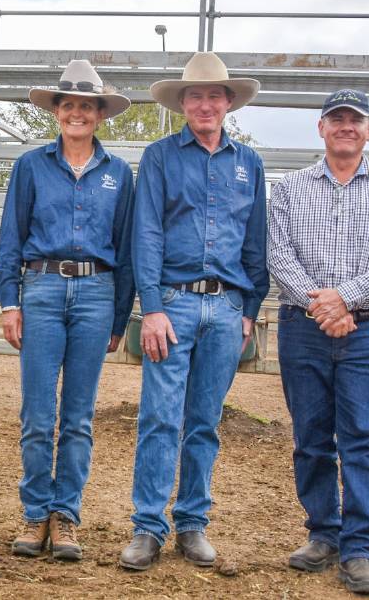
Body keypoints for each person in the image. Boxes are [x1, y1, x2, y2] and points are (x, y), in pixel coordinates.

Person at [118, 52, 268, 571]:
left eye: (215, 95)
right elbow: (148, 233)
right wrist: (153, 306)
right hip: (176, 304)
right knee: (160, 417)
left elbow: (256, 240)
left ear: (229, 103)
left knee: (204, 420)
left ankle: (192, 523)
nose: (206, 104)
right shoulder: (160, 157)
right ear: (183, 103)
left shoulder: (249, 164)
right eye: (196, 95)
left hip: (227, 306)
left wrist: (249, 306)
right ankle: (147, 525)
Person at [267, 89, 369, 596]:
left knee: (362, 436)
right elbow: (278, 255)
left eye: (356, 120)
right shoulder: (289, 188)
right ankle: (323, 533)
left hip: (368, 329)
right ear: (322, 129)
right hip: (304, 328)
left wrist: (344, 301)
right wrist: (323, 307)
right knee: (310, 436)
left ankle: (359, 547)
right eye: (337, 119)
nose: (346, 126)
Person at [0, 59, 136, 562]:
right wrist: (11, 300)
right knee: (37, 412)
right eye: (68, 105)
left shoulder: (119, 173)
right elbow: (12, 236)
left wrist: (120, 316)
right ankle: (35, 512)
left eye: (87, 106)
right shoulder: (31, 166)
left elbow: (127, 248)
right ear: (57, 112)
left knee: (77, 416)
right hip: (43, 289)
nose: (77, 114)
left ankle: (66, 514)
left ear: (99, 114)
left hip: (96, 292)